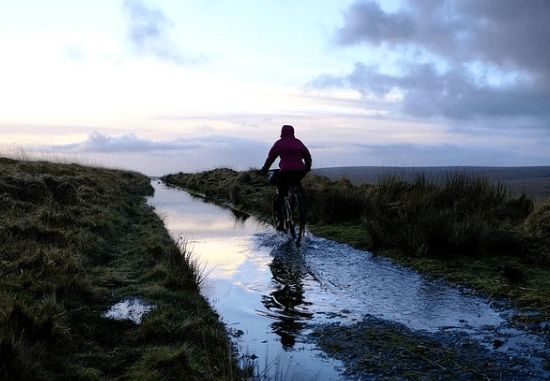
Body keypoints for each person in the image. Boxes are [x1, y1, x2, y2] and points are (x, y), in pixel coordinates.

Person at [260, 125, 312, 230]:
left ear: (282, 132)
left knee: (281, 194)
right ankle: (301, 206)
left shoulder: (279, 143)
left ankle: (279, 221)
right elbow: (308, 156)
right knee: (297, 186)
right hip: (299, 172)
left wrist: (264, 170)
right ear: (293, 132)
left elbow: (270, 159)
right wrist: (307, 169)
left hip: (285, 172)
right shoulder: (299, 142)